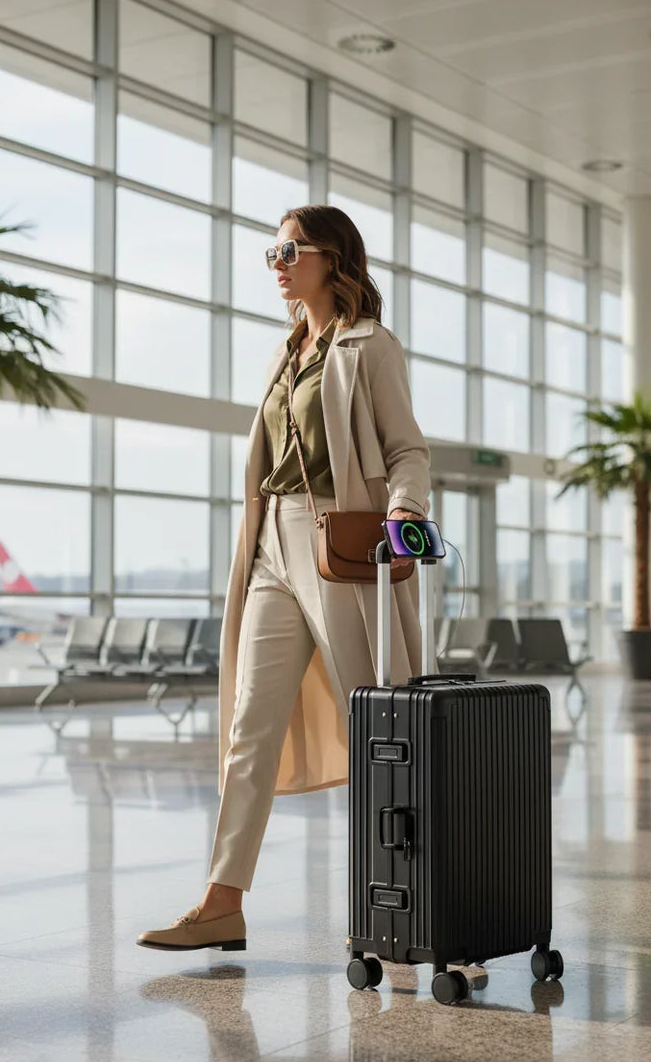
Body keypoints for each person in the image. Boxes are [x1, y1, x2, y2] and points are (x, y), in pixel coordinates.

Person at [137, 205, 431, 952]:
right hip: (271, 542)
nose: (276, 261)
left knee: (380, 728)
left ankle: (417, 906)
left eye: (290, 249)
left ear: (333, 258)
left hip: (342, 544)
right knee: (248, 726)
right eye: (271, 250)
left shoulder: (370, 347)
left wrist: (404, 515)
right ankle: (222, 900)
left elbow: (407, 451)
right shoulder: (284, 352)